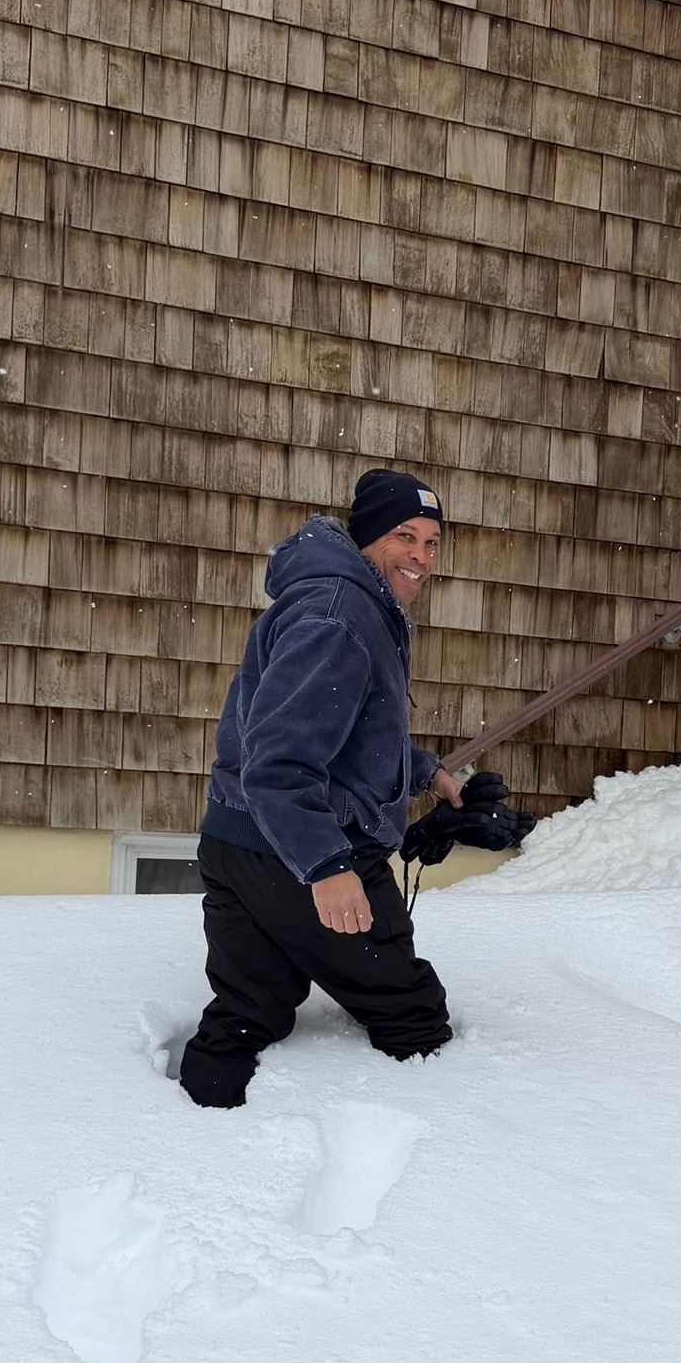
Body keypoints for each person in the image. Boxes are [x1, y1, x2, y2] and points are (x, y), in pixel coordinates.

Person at [179, 469, 465, 1109]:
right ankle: (438, 1155)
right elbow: (279, 763)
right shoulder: (340, 615)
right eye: (404, 536)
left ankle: (197, 1141)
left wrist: (423, 772)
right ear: (366, 539)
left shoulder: (339, 602)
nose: (421, 557)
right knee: (412, 1015)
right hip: (302, 850)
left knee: (252, 1007)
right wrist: (327, 867)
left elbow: (341, 730)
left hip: (239, 841)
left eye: (432, 541)